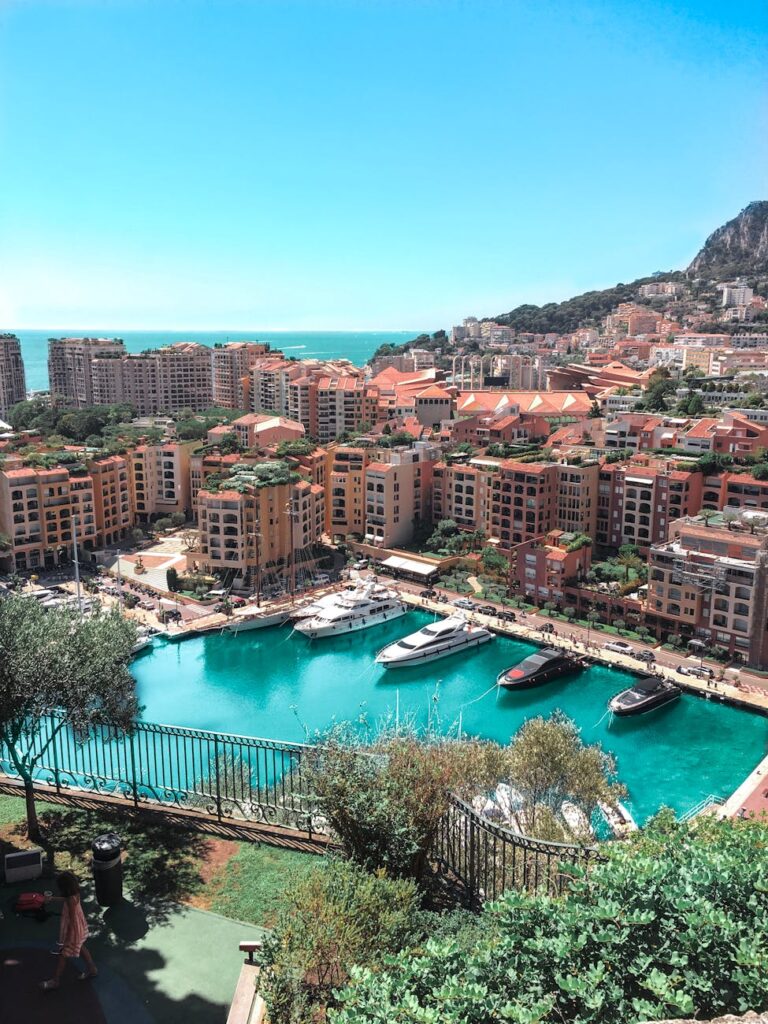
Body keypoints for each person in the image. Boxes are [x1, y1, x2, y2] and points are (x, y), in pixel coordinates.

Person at [40, 872, 97, 990]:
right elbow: (66, 899)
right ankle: (92, 969)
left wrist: (67, 940)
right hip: (80, 928)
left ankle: (55, 981)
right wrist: (53, 898)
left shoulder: (70, 900)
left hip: (74, 931)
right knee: (81, 946)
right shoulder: (75, 894)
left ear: (64, 888)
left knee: (63, 954)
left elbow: (72, 922)